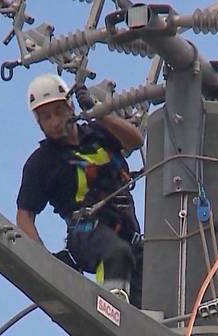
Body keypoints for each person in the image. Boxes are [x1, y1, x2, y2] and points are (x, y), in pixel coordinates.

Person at [16, 73, 145, 306]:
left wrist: (98, 112)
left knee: (154, 281)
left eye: (58, 111)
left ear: (70, 107)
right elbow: (24, 215)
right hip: (87, 231)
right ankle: (111, 306)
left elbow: (134, 140)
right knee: (116, 254)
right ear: (39, 123)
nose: (54, 122)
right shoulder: (42, 162)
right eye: (46, 117)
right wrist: (44, 260)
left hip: (128, 231)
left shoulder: (98, 134)